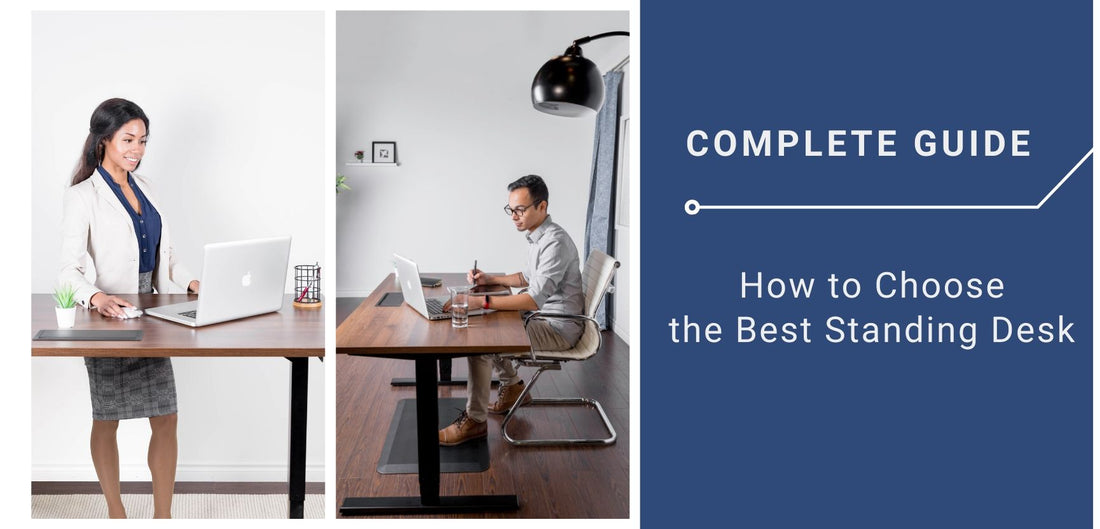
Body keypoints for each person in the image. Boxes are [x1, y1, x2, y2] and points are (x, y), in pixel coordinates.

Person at [59, 98, 199, 518]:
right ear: (104, 141)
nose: (136, 149)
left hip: (151, 317)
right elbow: (67, 271)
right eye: (128, 140)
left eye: (142, 140)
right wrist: (97, 297)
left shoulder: (148, 188)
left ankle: (163, 516)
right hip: (107, 320)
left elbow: (167, 257)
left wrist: (193, 281)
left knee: (166, 416)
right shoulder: (82, 196)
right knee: (107, 419)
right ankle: (117, 514)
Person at [438, 174, 585, 446]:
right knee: (487, 322)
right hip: (543, 319)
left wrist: (480, 302)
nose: (514, 216)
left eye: (520, 210)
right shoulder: (539, 237)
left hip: (558, 328)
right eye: (511, 210)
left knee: (481, 343)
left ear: (542, 206)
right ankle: (513, 387)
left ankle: (475, 421)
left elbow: (532, 299)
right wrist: (491, 280)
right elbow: (527, 278)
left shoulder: (555, 242)